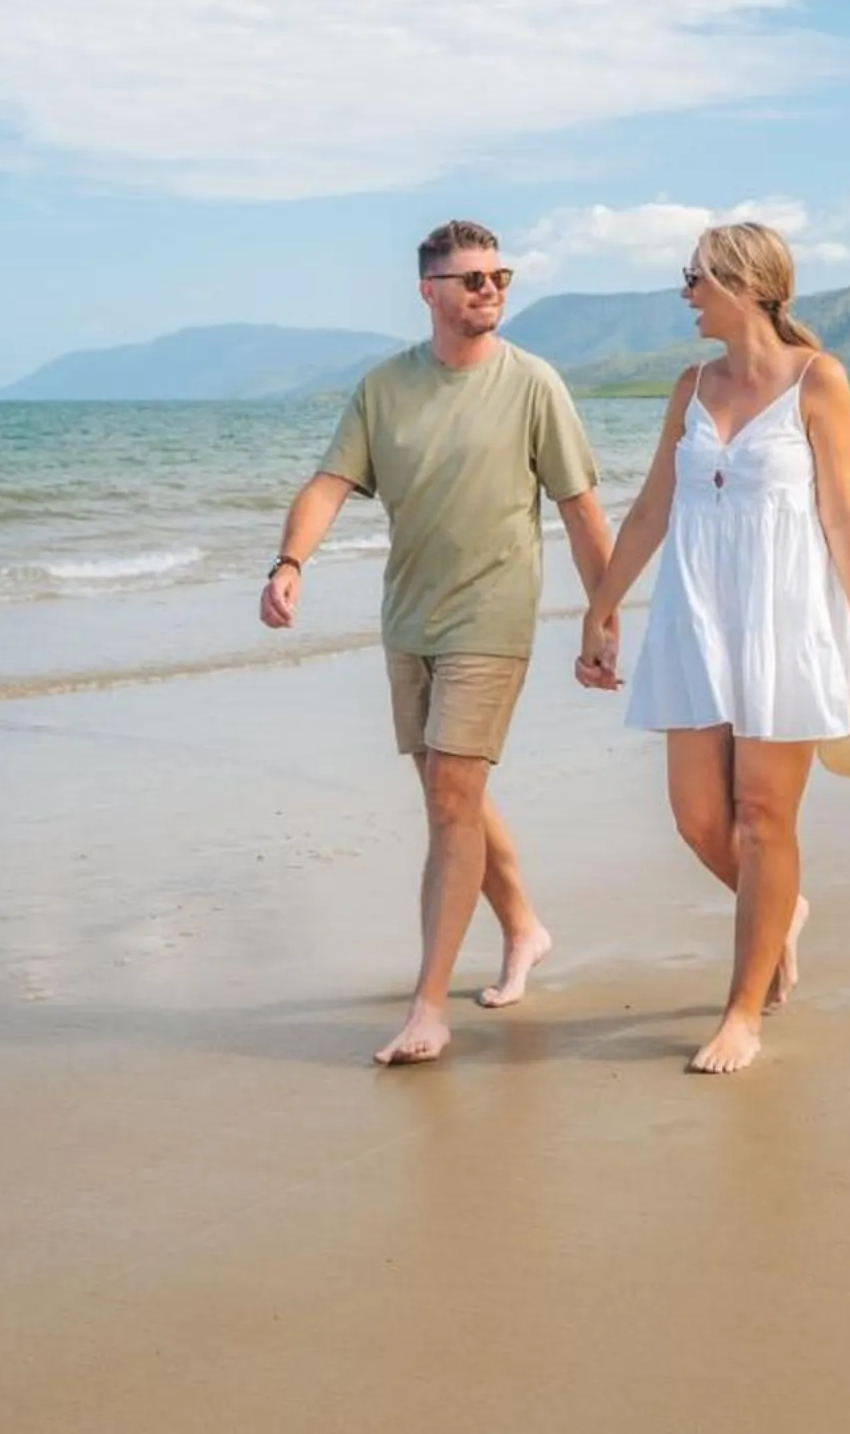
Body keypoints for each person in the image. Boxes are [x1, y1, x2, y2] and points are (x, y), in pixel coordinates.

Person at [262, 220, 616, 1067]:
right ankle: (524, 927)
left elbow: (579, 510)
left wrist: (602, 616)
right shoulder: (385, 388)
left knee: (452, 797)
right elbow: (329, 483)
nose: (490, 290)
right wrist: (289, 563)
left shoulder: (534, 385)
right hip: (408, 620)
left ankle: (429, 1005)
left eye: (499, 276)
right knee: (448, 792)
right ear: (429, 291)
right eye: (472, 279)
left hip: (491, 617)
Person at [577, 221, 850, 1075]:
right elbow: (652, 507)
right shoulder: (690, 387)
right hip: (696, 617)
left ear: (748, 284)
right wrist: (601, 608)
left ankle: (742, 1013)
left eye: (697, 277)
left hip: (785, 620)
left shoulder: (818, 380)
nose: (686, 293)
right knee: (697, 819)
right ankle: (780, 911)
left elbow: (842, 512)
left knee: (763, 819)